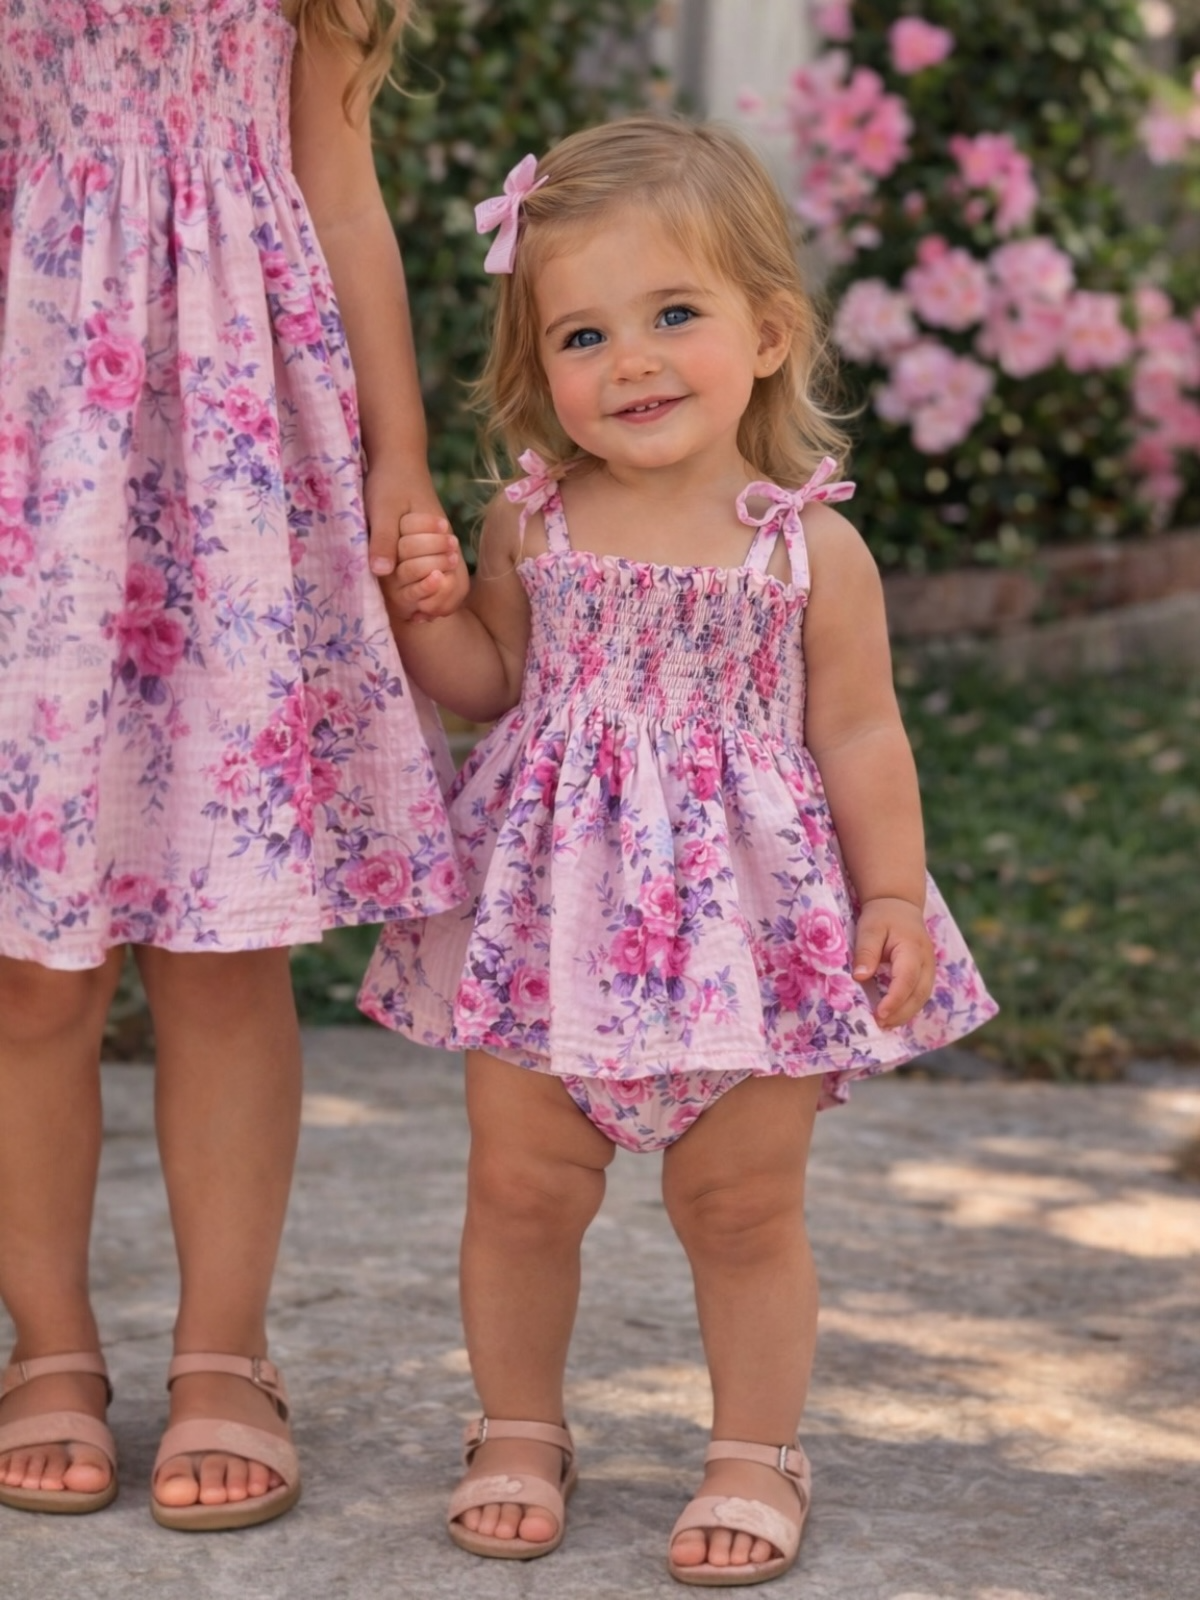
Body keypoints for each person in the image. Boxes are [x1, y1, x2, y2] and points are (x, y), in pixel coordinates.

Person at [361, 116, 997, 1585]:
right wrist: (426, 614)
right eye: (584, 334)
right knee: (521, 1189)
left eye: (674, 316)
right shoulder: (533, 523)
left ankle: (754, 1450)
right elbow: (488, 683)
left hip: (750, 935)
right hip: (552, 920)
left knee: (741, 1205)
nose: (632, 361)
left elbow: (862, 733)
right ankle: (519, 1425)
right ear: (540, 369)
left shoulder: (808, 547)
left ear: (767, 334)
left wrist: (890, 893)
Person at [0, 0, 464, 1530]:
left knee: (222, 943)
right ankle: (47, 1342)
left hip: (235, 454)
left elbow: (342, 190)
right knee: (31, 969)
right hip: (33, 449)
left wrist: (399, 453)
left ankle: (225, 1349)